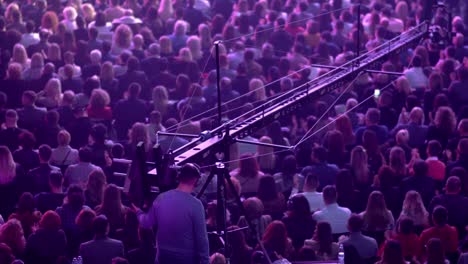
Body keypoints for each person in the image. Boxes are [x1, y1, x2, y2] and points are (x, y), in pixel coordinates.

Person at [137, 164, 209, 264]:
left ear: (179, 178)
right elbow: (202, 240)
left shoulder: (161, 198)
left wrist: (138, 212)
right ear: (195, 181)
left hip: (162, 257)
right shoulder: (196, 205)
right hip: (186, 259)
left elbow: (146, 222)